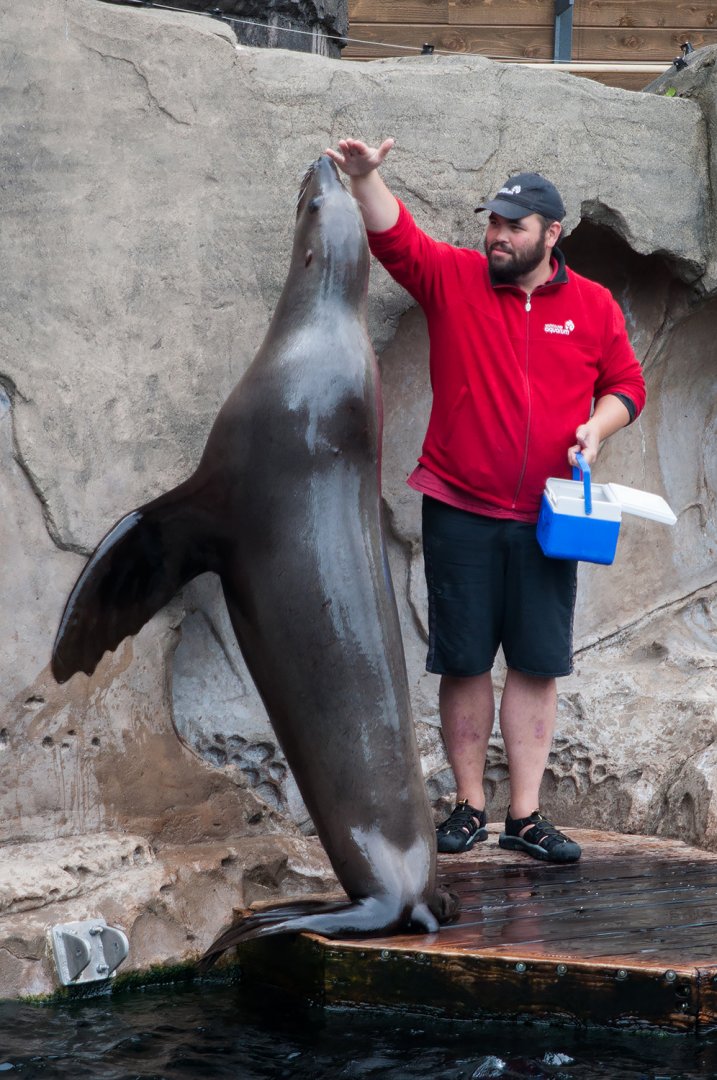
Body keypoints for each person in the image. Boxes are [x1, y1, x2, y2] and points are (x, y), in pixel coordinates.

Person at [325, 138, 646, 864]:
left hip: (549, 516)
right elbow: (396, 239)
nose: (496, 235)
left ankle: (524, 816)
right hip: (459, 504)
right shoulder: (457, 279)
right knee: (464, 660)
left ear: (550, 234)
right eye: (492, 222)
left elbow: (627, 385)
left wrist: (596, 430)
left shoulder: (591, 306)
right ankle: (468, 806)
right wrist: (366, 178)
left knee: (535, 664)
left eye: (513, 225)